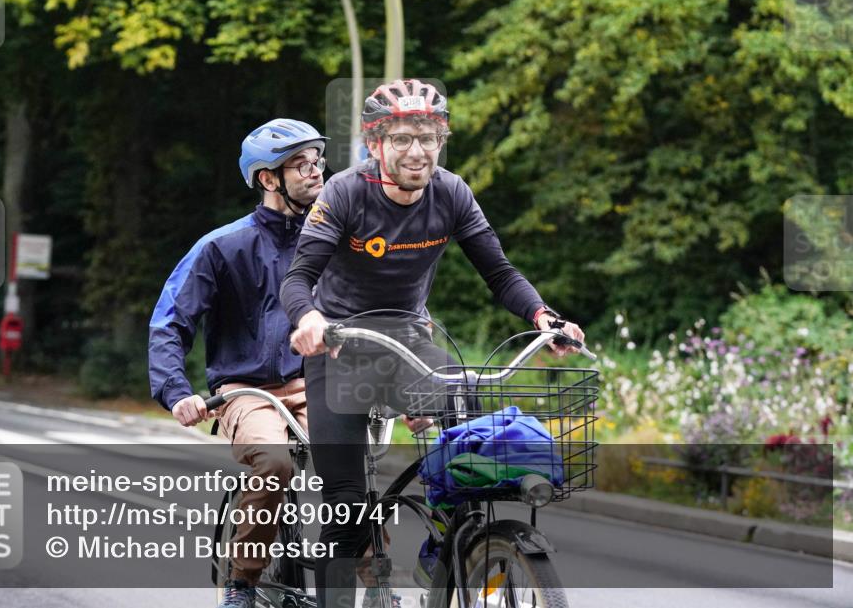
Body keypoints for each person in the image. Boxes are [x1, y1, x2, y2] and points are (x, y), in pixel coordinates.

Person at [281, 79, 586, 608]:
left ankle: (449, 542)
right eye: (401, 139)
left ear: (440, 141)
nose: (416, 151)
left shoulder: (451, 192)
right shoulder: (345, 193)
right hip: (341, 349)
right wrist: (308, 318)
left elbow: (500, 272)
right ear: (374, 144)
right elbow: (298, 278)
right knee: (346, 510)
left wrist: (543, 316)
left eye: (427, 137)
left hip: (409, 341)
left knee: (470, 424)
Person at [148, 118, 327, 608]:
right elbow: (170, 322)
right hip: (247, 390)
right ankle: (242, 582)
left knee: (351, 466)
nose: (315, 171)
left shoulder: (329, 241)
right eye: (300, 164)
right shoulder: (222, 246)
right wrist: (176, 392)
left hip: (318, 382)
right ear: (268, 178)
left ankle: (373, 583)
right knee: (273, 463)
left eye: (318, 161)